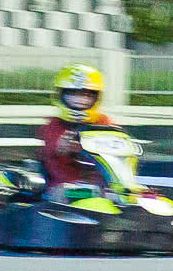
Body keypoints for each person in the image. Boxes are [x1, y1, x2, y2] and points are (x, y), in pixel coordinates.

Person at [37, 62, 116, 190]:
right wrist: (63, 147)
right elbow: (52, 147)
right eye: (73, 94)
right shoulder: (54, 125)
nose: (80, 100)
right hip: (65, 188)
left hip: (102, 186)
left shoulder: (104, 122)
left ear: (96, 97)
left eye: (86, 95)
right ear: (61, 95)